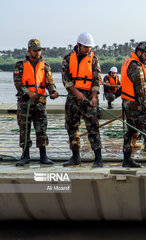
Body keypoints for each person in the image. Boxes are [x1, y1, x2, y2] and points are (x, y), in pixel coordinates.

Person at [13, 39, 59, 166]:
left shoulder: (45, 66)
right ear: (29, 50)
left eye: (39, 50)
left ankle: (43, 156)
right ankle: (25, 156)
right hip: (25, 103)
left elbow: (50, 82)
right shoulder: (19, 65)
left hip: (40, 102)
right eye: (35, 50)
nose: (38, 53)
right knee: (24, 129)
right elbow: (18, 82)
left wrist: (53, 92)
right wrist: (28, 92)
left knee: (41, 129)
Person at [61, 32, 103, 168]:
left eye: (90, 47)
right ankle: (75, 157)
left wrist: (94, 96)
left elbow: (97, 79)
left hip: (89, 99)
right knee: (72, 127)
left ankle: (98, 159)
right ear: (78, 45)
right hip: (73, 98)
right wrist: (76, 92)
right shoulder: (67, 59)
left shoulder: (94, 59)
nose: (88, 49)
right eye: (86, 47)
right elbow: (65, 79)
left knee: (93, 127)